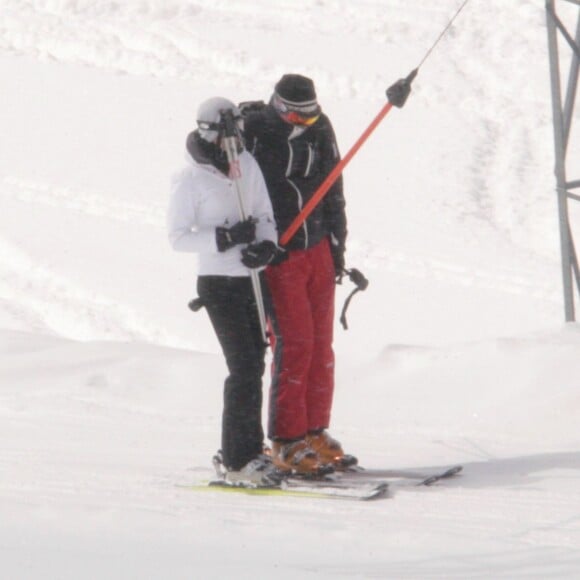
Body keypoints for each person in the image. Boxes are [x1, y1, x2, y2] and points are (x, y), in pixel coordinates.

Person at [243, 74, 353, 475]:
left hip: (318, 247)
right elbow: (210, 156)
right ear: (277, 105)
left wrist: (337, 244)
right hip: (281, 251)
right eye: (296, 115)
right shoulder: (255, 128)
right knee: (296, 344)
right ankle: (287, 440)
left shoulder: (320, 127)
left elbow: (334, 187)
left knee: (322, 347)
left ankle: (313, 430)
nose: (304, 122)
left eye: (310, 115)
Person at [167, 97, 280, 485]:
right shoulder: (190, 179)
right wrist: (225, 237)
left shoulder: (246, 165)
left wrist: (265, 244)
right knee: (243, 367)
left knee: (257, 363)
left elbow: (265, 214)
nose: (234, 144)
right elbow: (178, 238)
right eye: (227, 134)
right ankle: (237, 460)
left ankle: (251, 448)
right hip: (219, 283)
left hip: (251, 277)